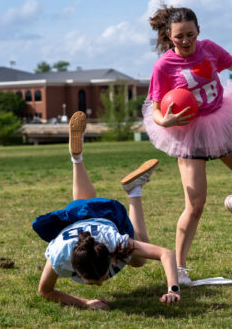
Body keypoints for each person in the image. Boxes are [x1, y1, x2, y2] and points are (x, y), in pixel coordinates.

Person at [143, 5, 232, 285]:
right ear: (169, 36)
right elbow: (156, 109)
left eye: (190, 34)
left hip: (220, 122)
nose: (186, 41)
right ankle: (179, 269)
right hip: (187, 133)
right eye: (179, 36)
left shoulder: (210, 49)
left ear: (199, 32)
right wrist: (164, 122)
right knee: (195, 205)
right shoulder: (163, 66)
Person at [33, 111, 181, 310]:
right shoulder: (60, 255)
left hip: (107, 218)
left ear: (110, 255)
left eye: (99, 279)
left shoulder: (115, 243)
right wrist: (85, 303)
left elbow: (165, 254)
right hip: (81, 218)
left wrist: (173, 289)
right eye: (94, 282)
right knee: (84, 205)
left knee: (138, 260)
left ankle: (134, 191)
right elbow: (44, 292)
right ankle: (77, 159)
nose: (100, 285)